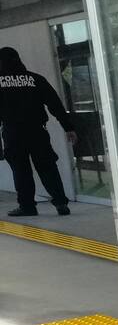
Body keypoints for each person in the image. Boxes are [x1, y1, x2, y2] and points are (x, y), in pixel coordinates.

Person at [0, 46, 76, 216]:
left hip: (13, 133)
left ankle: (27, 206)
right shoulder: (35, 79)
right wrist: (68, 127)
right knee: (48, 167)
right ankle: (61, 203)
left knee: (21, 171)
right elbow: (55, 104)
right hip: (37, 131)